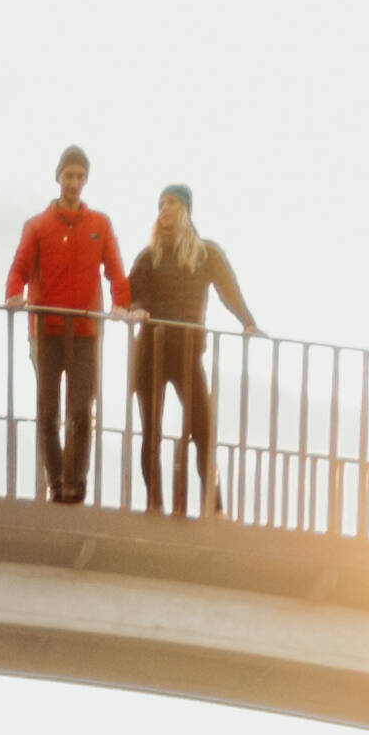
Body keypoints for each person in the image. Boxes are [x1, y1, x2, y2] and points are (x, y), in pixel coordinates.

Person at [0, 147, 123, 505]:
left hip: (85, 333)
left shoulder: (100, 224)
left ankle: (75, 484)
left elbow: (114, 268)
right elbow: (19, 268)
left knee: (82, 410)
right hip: (46, 331)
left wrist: (122, 302)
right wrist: (13, 294)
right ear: (58, 177)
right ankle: (57, 482)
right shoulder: (37, 225)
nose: (74, 183)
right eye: (69, 175)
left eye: (80, 176)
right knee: (49, 411)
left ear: (86, 180)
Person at [127, 185, 256, 515]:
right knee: (151, 431)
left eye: (170, 202)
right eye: (160, 204)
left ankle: (215, 508)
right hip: (152, 352)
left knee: (203, 428)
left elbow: (230, 289)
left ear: (185, 209)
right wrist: (137, 309)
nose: (163, 209)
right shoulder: (149, 255)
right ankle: (155, 503)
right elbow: (132, 293)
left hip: (188, 353)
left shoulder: (206, 253)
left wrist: (248, 321)